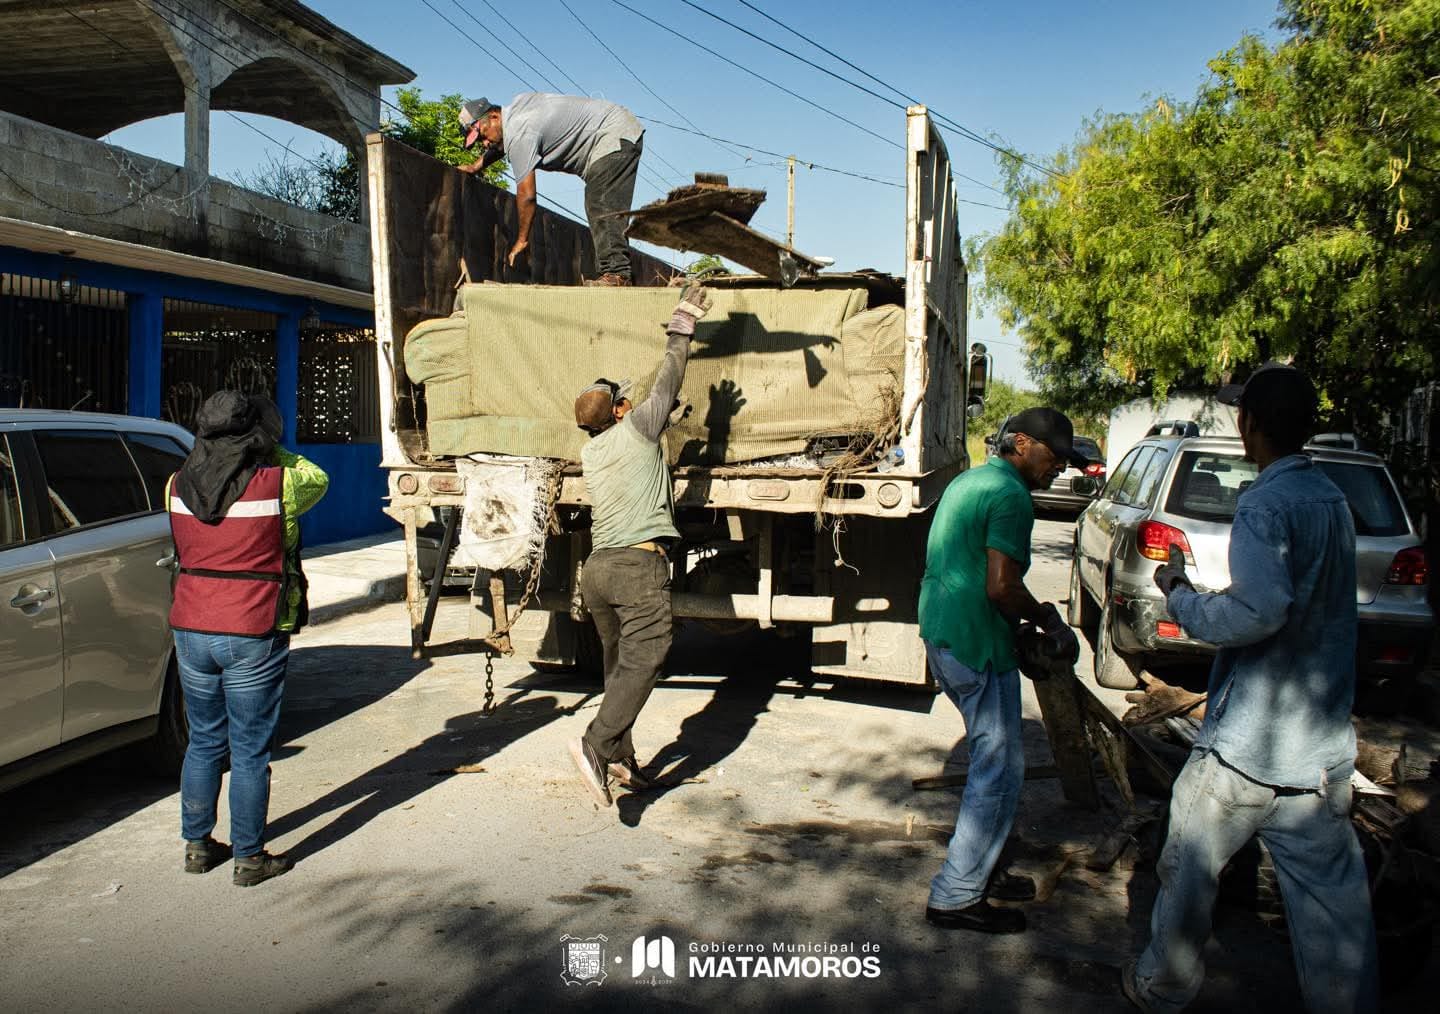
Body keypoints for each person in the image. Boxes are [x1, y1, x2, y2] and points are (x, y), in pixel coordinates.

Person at [1123, 364, 1377, 1013]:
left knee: (1187, 868)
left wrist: (1181, 595)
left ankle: (1161, 987)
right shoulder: (1330, 499)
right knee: (1333, 912)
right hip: (1317, 754)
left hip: (1248, 749)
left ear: (1249, 423)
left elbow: (1259, 612)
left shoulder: (1266, 502)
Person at [917, 408, 1085, 933]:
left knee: (997, 764)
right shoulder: (1011, 496)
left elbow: (968, 567)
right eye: (1054, 455)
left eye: (1065, 460)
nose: (1059, 466)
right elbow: (1002, 586)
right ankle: (956, 895)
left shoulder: (972, 480)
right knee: (999, 770)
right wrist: (1047, 619)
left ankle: (982, 870)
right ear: (1023, 444)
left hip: (945, 634)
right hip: (977, 644)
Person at [168, 391, 329, 887]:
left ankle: (198, 847)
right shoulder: (281, 482)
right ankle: (250, 859)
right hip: (252, 627)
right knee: (250, 749)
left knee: (203, 740)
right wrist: (269, 448)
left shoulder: (175, 484)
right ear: (257, 435)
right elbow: (318, 476)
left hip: (191, 625)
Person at [567, 284, 712, 807]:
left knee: (619, 668)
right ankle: (595, 744)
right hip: (635, 567)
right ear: (620, 410)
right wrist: (682, 323)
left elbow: (639, 439)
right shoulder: (638, 429)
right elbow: (670, 376)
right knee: (647, 655)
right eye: (625, 400)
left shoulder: (593, 452)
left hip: (598, 571)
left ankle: (621, 758)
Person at [458, 93, 644, 286]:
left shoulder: (520, 133)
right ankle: (618, 271)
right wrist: (475, 167)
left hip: (612, 133)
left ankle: (617, 274)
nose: (485, 144)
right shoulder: (516, 113)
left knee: (600, 200)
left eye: (483, 136)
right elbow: (501, 144)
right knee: (601, 200)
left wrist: (522, 240)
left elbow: (527, 196)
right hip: (615, 127)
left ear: (494, 116)